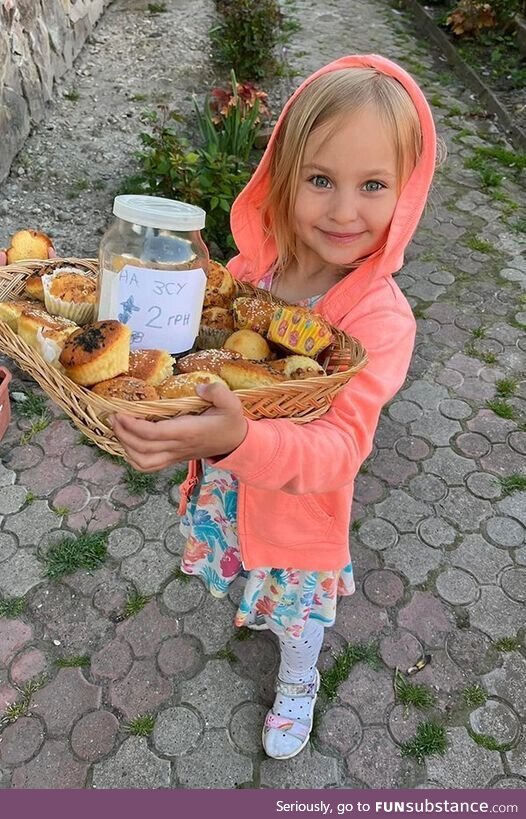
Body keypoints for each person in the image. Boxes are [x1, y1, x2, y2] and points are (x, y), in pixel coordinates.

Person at [111, 54, 438, 760]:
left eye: (373, 185)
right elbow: (212, 341)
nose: (344, 210)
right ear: (283, 178)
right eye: (320, 179)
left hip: (298, 518)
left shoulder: (380, 321)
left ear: (405, 195)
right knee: (245, 571)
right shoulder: (256, 271)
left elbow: (340, 447)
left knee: (297, 614)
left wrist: (236, 441)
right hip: (231, 489)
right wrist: (187, 286)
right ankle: (259, 606)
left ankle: (299, 677)